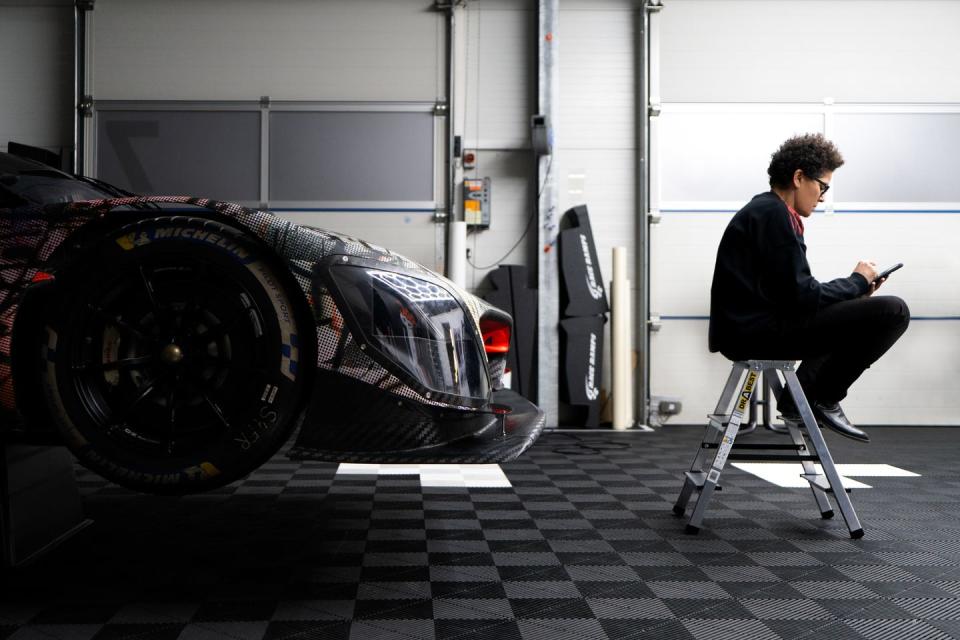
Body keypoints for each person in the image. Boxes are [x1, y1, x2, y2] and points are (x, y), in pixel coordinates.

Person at [708, 133, 910, 443]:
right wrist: (856, 281)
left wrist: (854, 293)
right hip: (754, 333)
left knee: (853, 314)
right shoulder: (774, 215)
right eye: (823, 186)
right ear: (799, 177)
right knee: (893, 311)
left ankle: (800, 399)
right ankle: (823, 398)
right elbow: (803, 297)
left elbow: (794, 294)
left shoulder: (764, 210)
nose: (823, 196)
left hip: (750, 328)